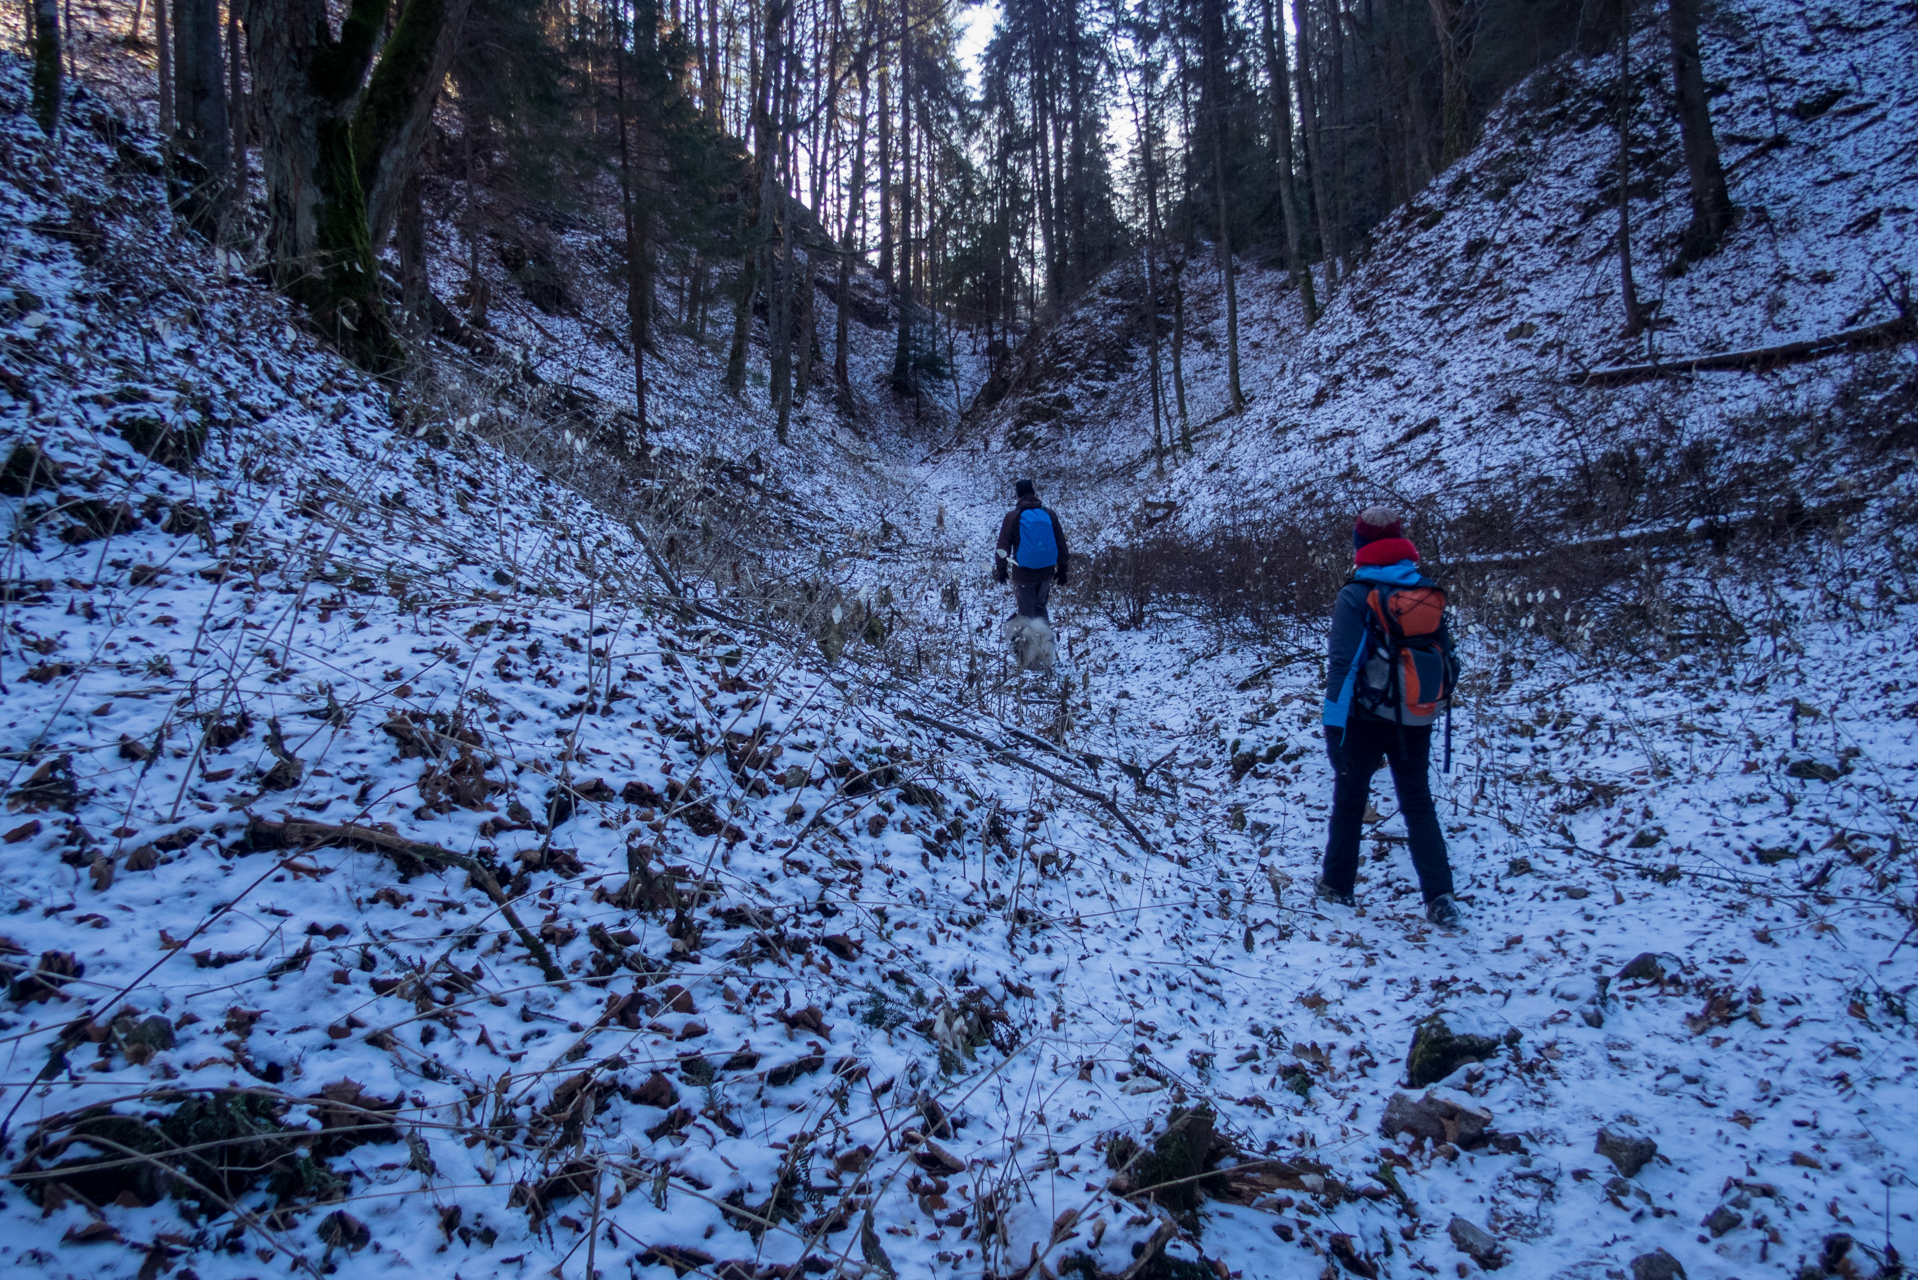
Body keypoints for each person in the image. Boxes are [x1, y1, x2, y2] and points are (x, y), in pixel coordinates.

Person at [1318, 506, 1462, 928]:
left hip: (1365, 717)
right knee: (1418, 804)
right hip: (1417, 716)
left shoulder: (1356, 594)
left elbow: (1342, 666)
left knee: (1349, 801)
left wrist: (1333, 726)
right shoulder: (1424, 590)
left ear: (1360, 543)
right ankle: (1440, 896)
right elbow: (1446, 656)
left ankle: (1337, 886)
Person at [994, 478, 1069, 620]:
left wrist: (1001, 570)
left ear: (1018, 495)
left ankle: (1031, 641)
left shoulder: (1012, 517)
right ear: (1033, 493)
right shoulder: (1049, 514)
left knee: (1026, 615)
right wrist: (1063, 569)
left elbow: (1002, 547)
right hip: (1047, 572)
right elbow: (1060, 543)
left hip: (1024, 574)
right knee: (1041, 608)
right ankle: (1045, 640)